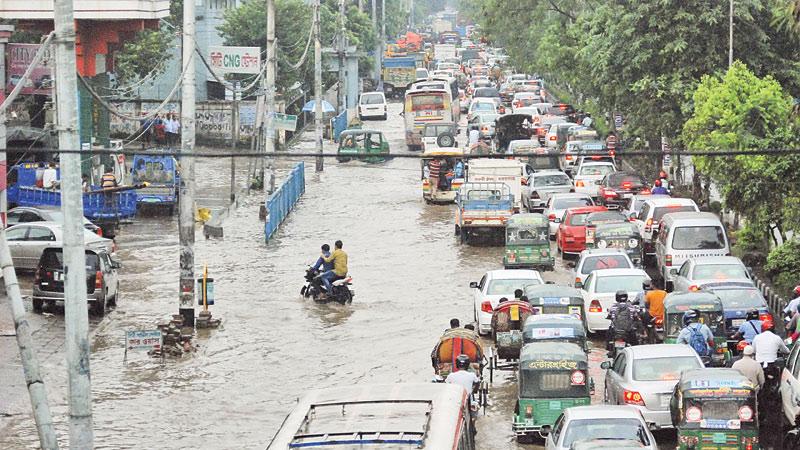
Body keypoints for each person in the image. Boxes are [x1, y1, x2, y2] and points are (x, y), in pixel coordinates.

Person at [445, 354, 480, 421]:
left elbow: (446, 386)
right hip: (468, 401)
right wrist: (473, 390)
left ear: (457, 365)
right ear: (468, 365)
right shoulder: (472, 375)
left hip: (454, 401)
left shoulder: (451, 376)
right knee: (475, 406)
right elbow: (477, 384)